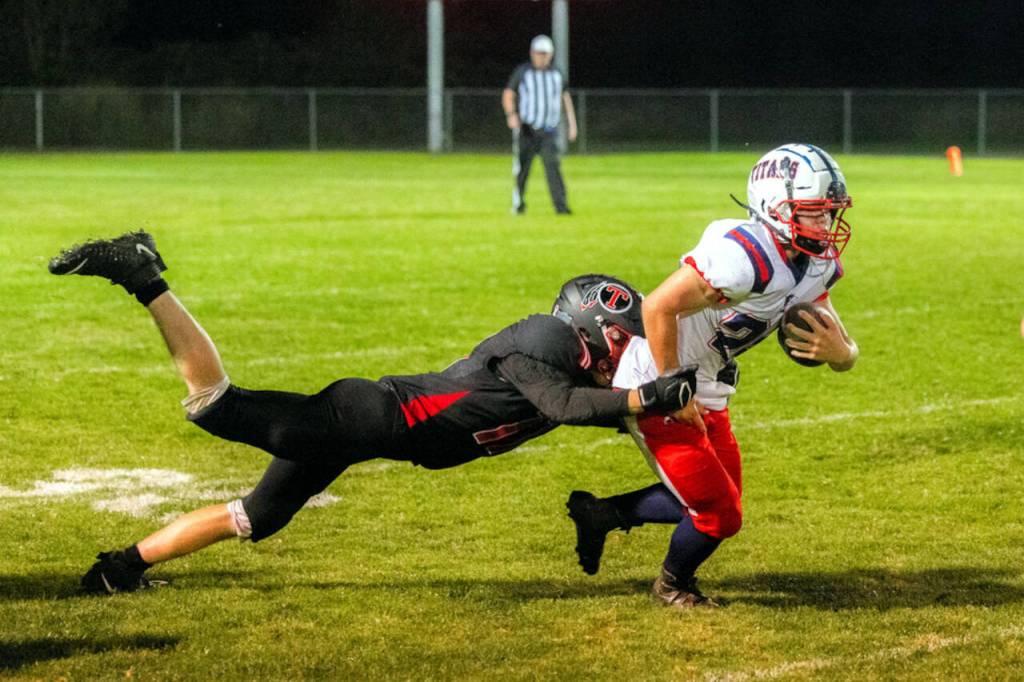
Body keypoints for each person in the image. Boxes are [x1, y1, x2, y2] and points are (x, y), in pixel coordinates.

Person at [47, 232, 696, 594]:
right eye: (618, 336)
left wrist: (687, 405)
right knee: (215, 406)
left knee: (257, 517)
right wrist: (645, 399)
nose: (624, 352)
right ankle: (142, 274)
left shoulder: (574, 363)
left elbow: (602, 410)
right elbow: (564, 406)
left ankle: (122, 567)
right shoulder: (546, 341)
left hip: (367, 434)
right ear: (586, 323)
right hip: (367, 416)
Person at [566, 144, 861, 609]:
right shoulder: (744, 256)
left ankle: (601, 514)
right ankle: (672, 585)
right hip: (659, 382)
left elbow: (835, 342)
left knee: (724, 501)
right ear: (776, 208)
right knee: (719, 516)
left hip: (709, 385)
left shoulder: (814, 263)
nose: (825, 226)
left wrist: (844, 353)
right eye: (813, 213)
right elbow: (657, 305)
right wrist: (669, 389)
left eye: (829, 213)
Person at [502, 34, 578, 215]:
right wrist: (511, 114)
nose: (541, 57)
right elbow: (508, 94)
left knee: (553, 168)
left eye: (544, 54)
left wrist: (572, 124)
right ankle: (518, 203)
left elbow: (565, 98)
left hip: (548, 131)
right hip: (527, 129)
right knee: (522, 169)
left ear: (550, 55)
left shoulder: (557, 74)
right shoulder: (523, 72)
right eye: (538, 53)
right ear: (532, 53)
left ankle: (561, 206)